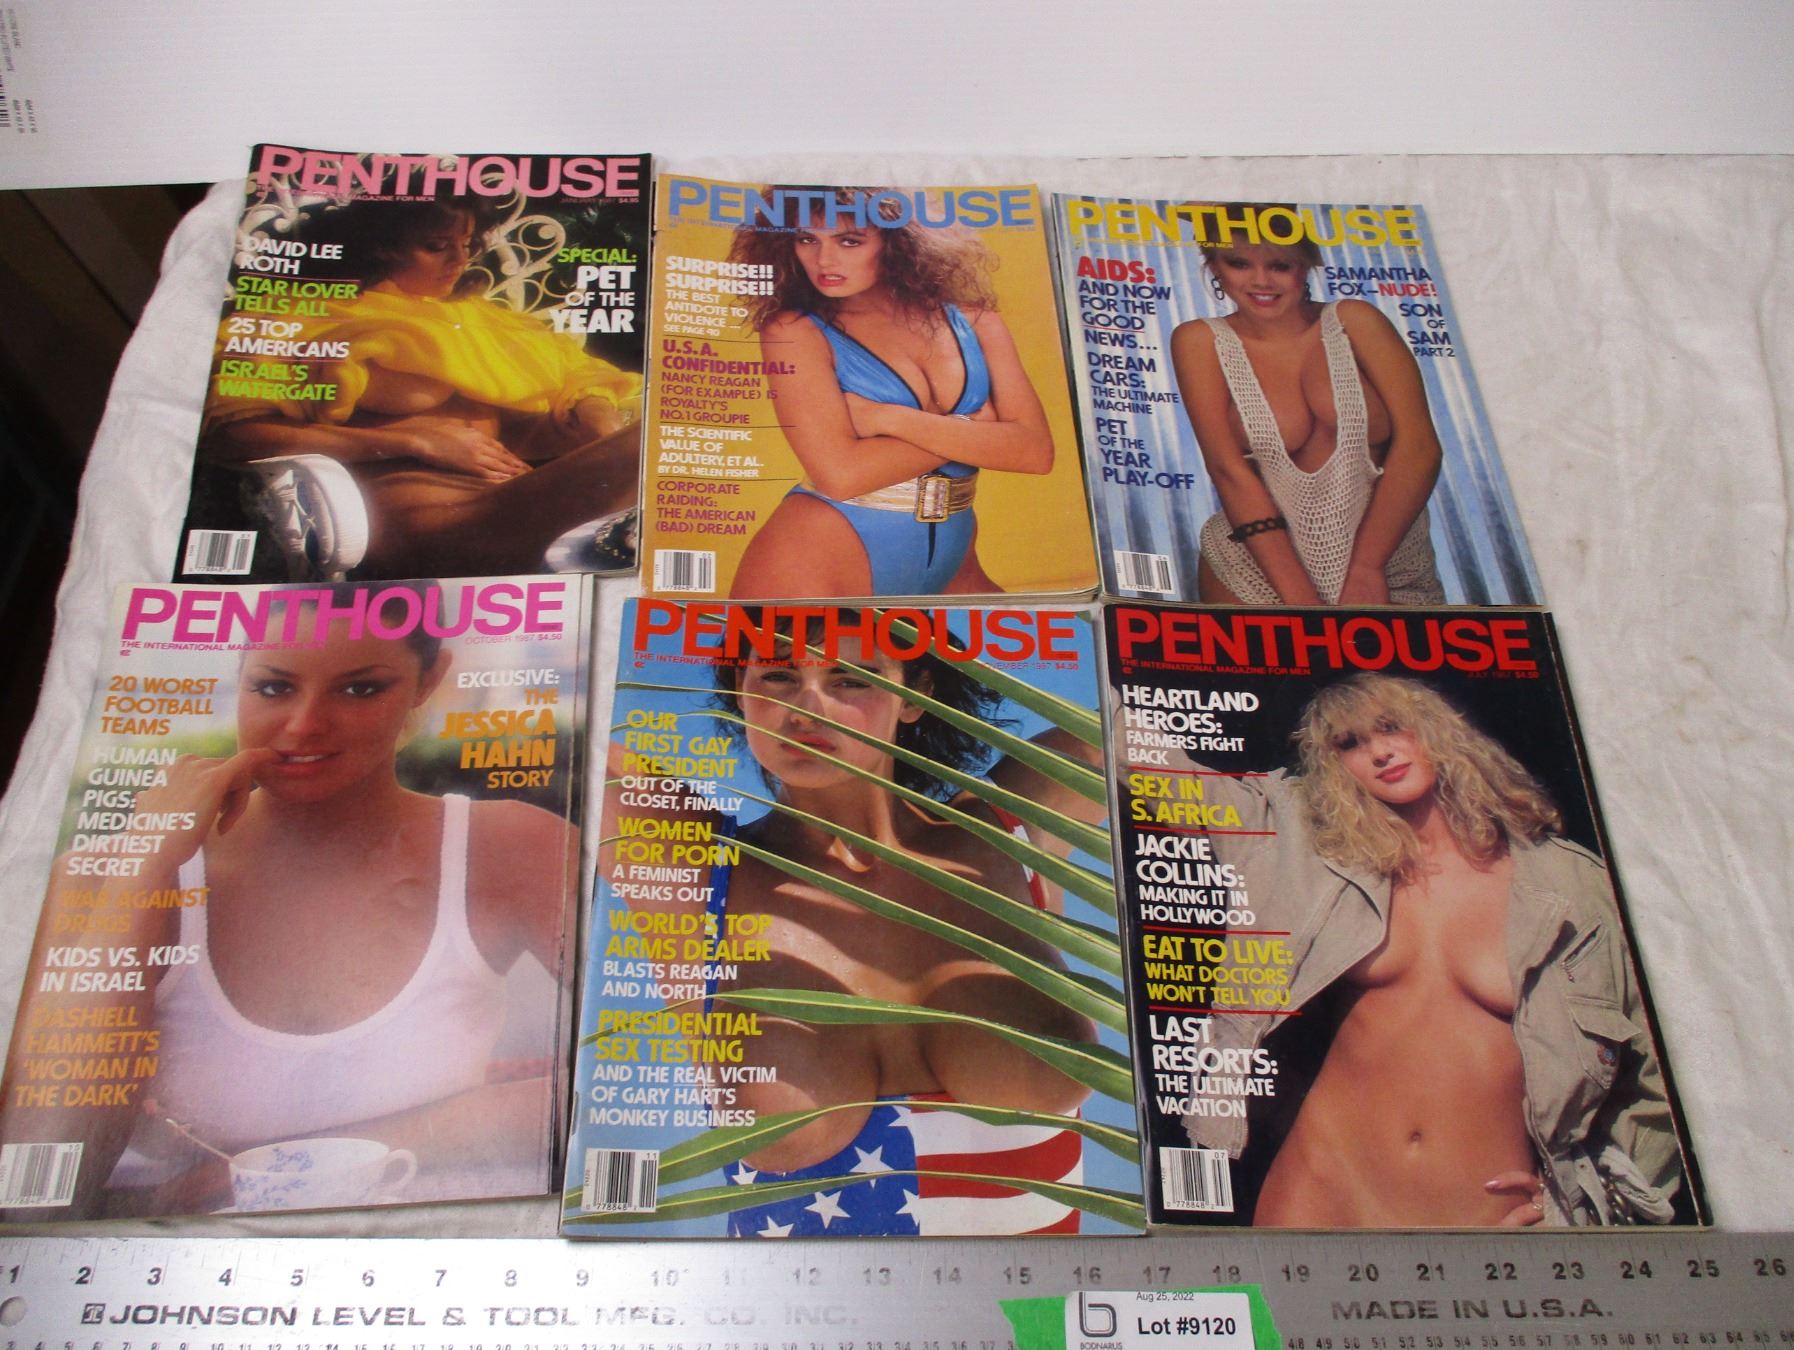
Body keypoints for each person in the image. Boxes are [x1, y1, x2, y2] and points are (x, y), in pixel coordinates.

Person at [0, 589, 576, 1214]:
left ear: (428, 679)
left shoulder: (508, 846)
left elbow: (645, 1076)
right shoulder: (104, 876)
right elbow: (37, 1190)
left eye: (360, 689)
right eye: (273, 688)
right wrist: (146, 863)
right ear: (240, 678)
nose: (304, 725)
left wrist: (311, 1160)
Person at [599, 611, 1104, 1234]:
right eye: (778, 677)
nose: (806, 708)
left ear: (914, 694)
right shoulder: (693, 865)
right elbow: (533, 709)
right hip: (787, 1298)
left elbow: (1186, 710)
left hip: (1055, 1295)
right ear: (739, 693)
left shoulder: (1009, 832)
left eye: (851, 679)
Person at [1173, 673, 1681, 1226]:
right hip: (1319, 1188)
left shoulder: (1573, 884)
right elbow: (1161, 772)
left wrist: (1592, 1205)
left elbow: (1655, 1077)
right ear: (1334, 767)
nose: (1380, 752)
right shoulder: (1312, 848)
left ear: (1438, 731)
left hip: (1482, 1211)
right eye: (1351, 743)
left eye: (1392, 727)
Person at [202, 198, 642, 576]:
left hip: (520, 496)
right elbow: (234, 435)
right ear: (381, 247)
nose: (459, 260)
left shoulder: (480, 319)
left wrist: (598, 417)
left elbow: (580, 375)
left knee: (661, 439)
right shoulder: (307, 318)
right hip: (428, 527)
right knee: (663, 438)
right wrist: (410, 442)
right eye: (436, 246)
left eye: (466, 245)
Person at [727, 188, 1055, 598]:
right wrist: (976, 431)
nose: (824, 260)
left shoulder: (978, 323)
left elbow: (1035, 453)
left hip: (952, 558)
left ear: (899, 243)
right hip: (817, 558)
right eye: (807, 239)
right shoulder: (794, 331)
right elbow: (841, 476)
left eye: (850, 241)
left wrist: (889, 418)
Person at [1170, 213, 1445, 606]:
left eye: (1280, 265)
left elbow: (1420, 447)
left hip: (1387, 565)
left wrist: (1366, 568)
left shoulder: (1355, 321)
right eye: (1239, 263)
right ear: (1214, 266)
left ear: (1307, 262)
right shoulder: (1199, 341)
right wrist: (1304, 605)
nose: (1261, 281)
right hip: (1258, 569)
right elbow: (1228, 472)